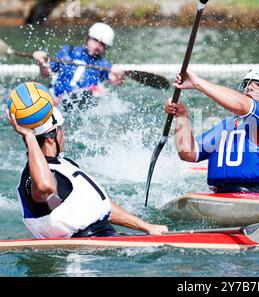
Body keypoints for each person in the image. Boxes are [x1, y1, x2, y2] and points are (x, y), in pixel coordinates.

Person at [7, 83, 167, 239]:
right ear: (51, 138)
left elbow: (98, 207)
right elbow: (44, 187)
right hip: (83, 258)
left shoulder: (64, 166)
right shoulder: (32, 178)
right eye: (61, 130)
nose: (64, 136)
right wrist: (29, 136)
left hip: (106, 239)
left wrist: (147, 227)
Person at [163, 67, 259, 197]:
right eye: (247, 84)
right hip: (222, 196)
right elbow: (188, 153)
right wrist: (182, 116)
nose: (250, 87)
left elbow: (242, 105)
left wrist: (197, 83)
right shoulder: (227, 126)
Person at [32, 22, 125, 110]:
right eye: (96, 41)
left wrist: (119, 75)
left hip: (81, 102)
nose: (98, 46)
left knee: (89, 93)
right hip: (57, 99)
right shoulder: (68, 51)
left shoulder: (102, 64)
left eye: (102, 45)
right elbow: (45, 74)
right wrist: (41, 62)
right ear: (88, 38)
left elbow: (116, 81)